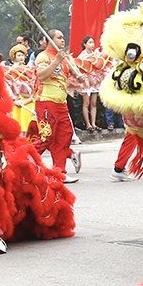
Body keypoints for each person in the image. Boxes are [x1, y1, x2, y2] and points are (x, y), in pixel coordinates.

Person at [33, 29, 79, 183]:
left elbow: (67, 79)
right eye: (59, 38)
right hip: (46, 102)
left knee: (65, 136)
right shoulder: (43, 56)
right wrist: (57, 61)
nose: (63, 40)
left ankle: (59, 172)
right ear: (49, 40)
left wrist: (78, 78)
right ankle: (24, 161)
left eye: (63, 37)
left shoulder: (64, 58)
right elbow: (41, 76)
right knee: (47, 137)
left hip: (61, 104)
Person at [75, 35, 102, 133]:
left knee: (94, 103)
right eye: (89, 42)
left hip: (94, 81)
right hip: (86, 82)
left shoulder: (96, 55)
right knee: (86, 103)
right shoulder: (81, 56)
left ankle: (94, 123)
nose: (92, 44)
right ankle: (88, 124)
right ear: (85, 44)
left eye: (93, 42)